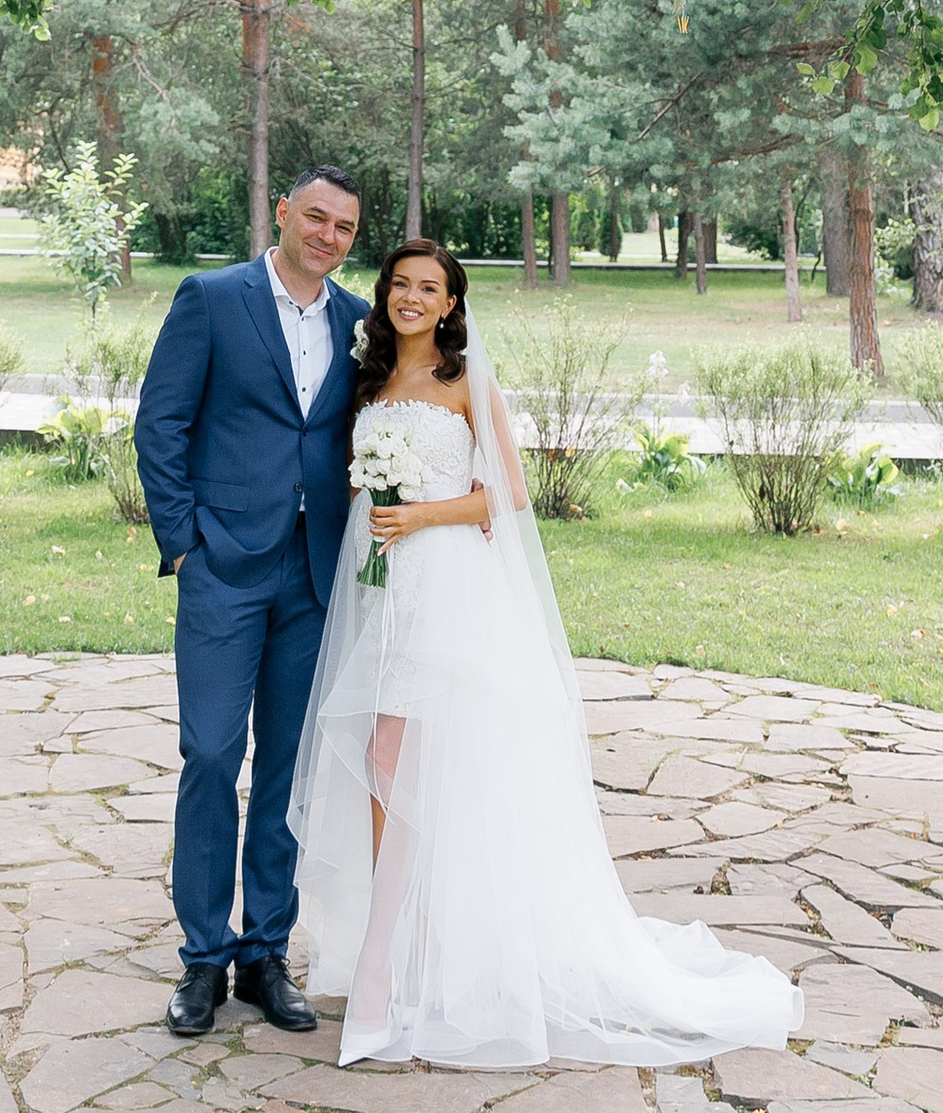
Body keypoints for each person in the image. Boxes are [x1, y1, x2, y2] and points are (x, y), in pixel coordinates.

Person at [287, 238, 804, 1067]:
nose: (412, 299)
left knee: (402, 758)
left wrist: (418, 515)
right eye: (401, 285)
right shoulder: (370, 376)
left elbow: (511, 493)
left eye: (430, 289)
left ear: (452, 304)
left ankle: (388, 967)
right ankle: (405, 941)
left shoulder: (465, 382)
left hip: (444, 585)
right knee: (384, 765)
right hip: (377, 585)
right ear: (383, 295)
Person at [132, 162, 367, 1037]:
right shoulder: (213, 298)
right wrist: (185, 543)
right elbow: (160, 423)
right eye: (316, 218)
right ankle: (203, 959)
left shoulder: (357, 322)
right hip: (224, 566)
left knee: (287, 770)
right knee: (209, 754)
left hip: (313, 575)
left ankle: (267, 950)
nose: (328, 237)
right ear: (282, 213)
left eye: (344, 228)